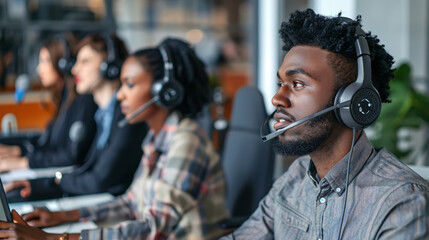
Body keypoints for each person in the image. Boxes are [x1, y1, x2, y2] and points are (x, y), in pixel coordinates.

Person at [220, 9, 429, 239]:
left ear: (350, 100)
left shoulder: (401, 202)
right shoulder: (295, 178)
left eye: (297, 83)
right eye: (281, 83)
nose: (277, 98)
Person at [0, 38, 228, 240]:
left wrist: (55, 239)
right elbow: (130, 202)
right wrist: (65, 215)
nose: (120, 95)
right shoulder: (156, 138)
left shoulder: (186, 142)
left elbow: (152, 230)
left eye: (130, 84)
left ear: (164, 91)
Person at [4, 33, 148, 202]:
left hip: (113, 209)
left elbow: (97, 179)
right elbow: (88, 171)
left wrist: (52, 181)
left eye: (85, 61)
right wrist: (40, 184)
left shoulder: (127, 116)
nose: (74, 69)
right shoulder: (102, 115)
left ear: (109, 67)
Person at [0, 35, 98, 172]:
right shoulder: (64, 98)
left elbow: (71, 155)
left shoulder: (82, 101)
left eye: (45, 61)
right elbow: (48, 144)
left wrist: (24, 162)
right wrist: (17, 151)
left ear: (62, 64)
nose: (39, 69)